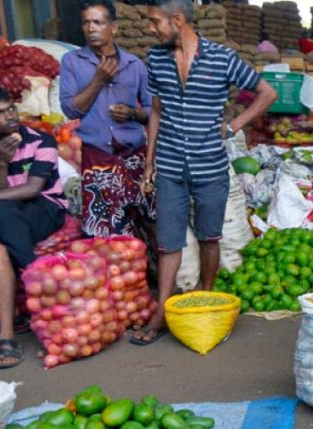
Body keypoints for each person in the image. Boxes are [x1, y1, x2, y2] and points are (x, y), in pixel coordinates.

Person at [133, 0, 276, 345]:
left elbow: (266, 92)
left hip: (210, 163)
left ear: (177, 20)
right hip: (169, 164)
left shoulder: (221, 58)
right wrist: (149, 162)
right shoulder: (156, 58)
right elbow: (155, 112)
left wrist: (237, 123)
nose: (151, 29)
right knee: (168, 241)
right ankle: (162, 313)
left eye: (156, 23)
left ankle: (204, 296)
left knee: (210, 235)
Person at [60, 0, 156, 240]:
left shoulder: (134, 64)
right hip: (98, 159)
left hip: (135, 157)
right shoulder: (72, 62)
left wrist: (133, 114)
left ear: (113, 27)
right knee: (104, 233)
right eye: (86, 23)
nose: (91, 28)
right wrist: (98, 80)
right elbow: (71, 109)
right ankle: (120, 277)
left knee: (150, 221)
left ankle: (153, 273)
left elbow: (152, 111)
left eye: (97, 22)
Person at [0, 88, 67, 367]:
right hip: (5, 212)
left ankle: (30, 269)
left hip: (45, 207)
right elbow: (1, 192)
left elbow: (33, 188)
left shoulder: (41, 140)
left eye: (10, 108)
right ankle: (7, 336)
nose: (9, 116)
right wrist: (1, 162)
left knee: (0, 211)